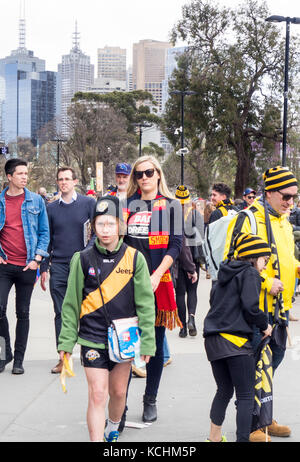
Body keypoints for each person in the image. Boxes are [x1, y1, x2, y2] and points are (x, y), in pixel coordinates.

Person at [58, 195, 156, 442]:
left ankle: (113, 426)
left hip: (124, 339)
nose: (105, 230)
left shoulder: (135, 259)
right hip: (92, 338)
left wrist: (148, 342)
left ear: (119, 225)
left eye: (110, 224)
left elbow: (145, 304)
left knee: (118, 392)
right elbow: (70, 305)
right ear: (93, 226)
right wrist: (66, 344)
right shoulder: (81, 259)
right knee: (98, 394)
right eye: (100, 224)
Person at [224, 165, 300, 441]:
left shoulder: (283, 221)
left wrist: (297, 270)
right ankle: (252, 425)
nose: (291, 201)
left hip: (281, 308)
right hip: (255, 308)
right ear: (269, 193)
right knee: (255, 364)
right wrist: (266, 283)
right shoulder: (249, 219)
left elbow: (286, 259)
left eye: (294, 196)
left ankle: (263, 417)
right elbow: (233, 260)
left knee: (272, 361)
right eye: (286, 196)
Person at [124, 155, 183, 423]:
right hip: (125, 283)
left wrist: (158, 274)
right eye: (139, 174)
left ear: (158, 174)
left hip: (157, 283)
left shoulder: (172, 206)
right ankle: (119, 405)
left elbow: (176, 244)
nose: (144, 177)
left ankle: (150, 399)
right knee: (123, 345)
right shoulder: (125, 206)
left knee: (155, 345)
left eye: (149, 172)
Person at [203, 233, 272, 442]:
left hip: (213, 340)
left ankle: (214, 438)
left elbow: (213, 301)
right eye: (264, 261)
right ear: (254, 257)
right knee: (245, 395)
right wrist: (265, 324)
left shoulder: (224, 272)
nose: (264, 267)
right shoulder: (250, 273)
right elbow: (251, 308)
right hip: (235, 341)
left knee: (223, 390)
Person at [40, 167, 95, 374]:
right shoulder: (51, 209)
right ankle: (63, 356)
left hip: (84, 264)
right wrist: (44, 267)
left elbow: (97, 233)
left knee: (86, 311)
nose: (64, 182)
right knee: (61, 312)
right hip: (60, 266)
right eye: (60, 179)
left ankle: (88, 353)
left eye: (67, 179)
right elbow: (47, 238)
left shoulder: (88, 203)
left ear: (75, 181)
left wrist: (87, 254)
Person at [0, 158, 50, 375]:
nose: (24, 177)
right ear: (9, 176)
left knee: (23, 312)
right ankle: (4, 354)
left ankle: (18, 359)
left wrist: (37, 259)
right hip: (4, 264)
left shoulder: (36, 201)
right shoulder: (0, 201)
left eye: (26, 174)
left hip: (28, 266)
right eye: (20, 173)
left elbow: (44, 232)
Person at [174, 185, 203, 338]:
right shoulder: (195, 215)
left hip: (178, 259)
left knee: (180, 293)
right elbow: (201, 238)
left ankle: (182, 327)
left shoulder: (172, 216)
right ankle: (191, 318)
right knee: (192, 291)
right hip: (193, 258)